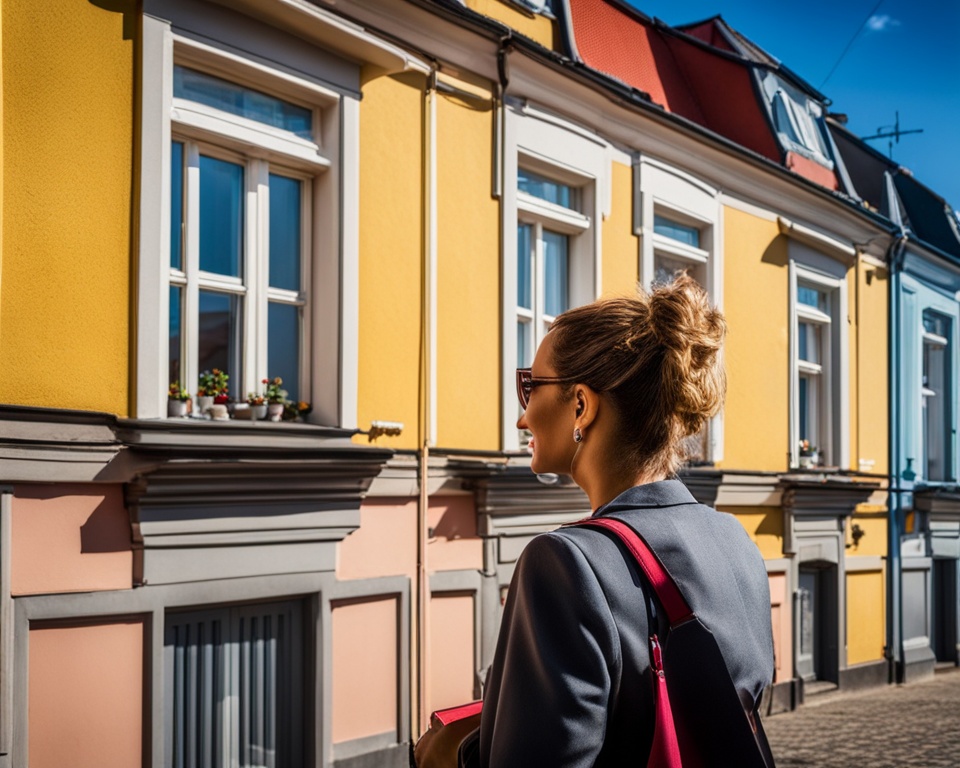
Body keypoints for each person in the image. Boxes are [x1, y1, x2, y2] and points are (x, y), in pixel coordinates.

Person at [478, 275, 774, 767]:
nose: (522, 417)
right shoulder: (735, 541)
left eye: (530, 385)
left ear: (581, 405)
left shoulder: (565, 564)